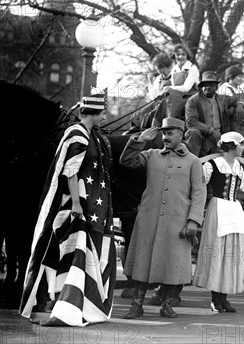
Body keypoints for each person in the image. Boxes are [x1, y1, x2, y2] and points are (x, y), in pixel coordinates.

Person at [20, 94, 116, 326]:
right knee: (71, 251)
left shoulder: (93, 136)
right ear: (93, 112)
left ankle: (70, 303)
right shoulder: (77, 135)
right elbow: (70, 171)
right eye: (103, 112)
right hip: (74, 205)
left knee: (75, 252)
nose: (105, 116)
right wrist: (75, 203)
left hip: (88, 205)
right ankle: (64, 306)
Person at [119, 118, 206, 319]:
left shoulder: (193, 161)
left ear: (181, 135)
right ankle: (137, 305)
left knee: (172, 263)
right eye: (163, 133)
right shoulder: (151, 155)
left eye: (170, 133)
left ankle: (167, 304)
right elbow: (127, 161)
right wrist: (140, 140)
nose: (165, 137)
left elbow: (200, 193)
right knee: (142, 261)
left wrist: (193, 220)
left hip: (177, 221)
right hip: (148, 219)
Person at [193, 132, 244, 313]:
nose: (243, 148)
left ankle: (224, 298)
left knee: (231, 252)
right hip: (218, 208)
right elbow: (200, 185)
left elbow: (243, 185)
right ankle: (215, 299)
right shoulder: (212, 164)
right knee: (217, 252)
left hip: (234, 209)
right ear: (232, 146)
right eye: (241, 145)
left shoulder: (236, 165)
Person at [185, 71, 244, 157]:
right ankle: (190, 164)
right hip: (202, 135)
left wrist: (240, 105)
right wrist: (211, 131)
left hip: (219, 137)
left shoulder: (222, 99)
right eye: (205, 85)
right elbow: (191, 122)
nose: (207, 88)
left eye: (211, 85)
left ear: (216, 87)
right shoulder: (193, 100)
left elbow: (240, 97)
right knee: (193, 133)